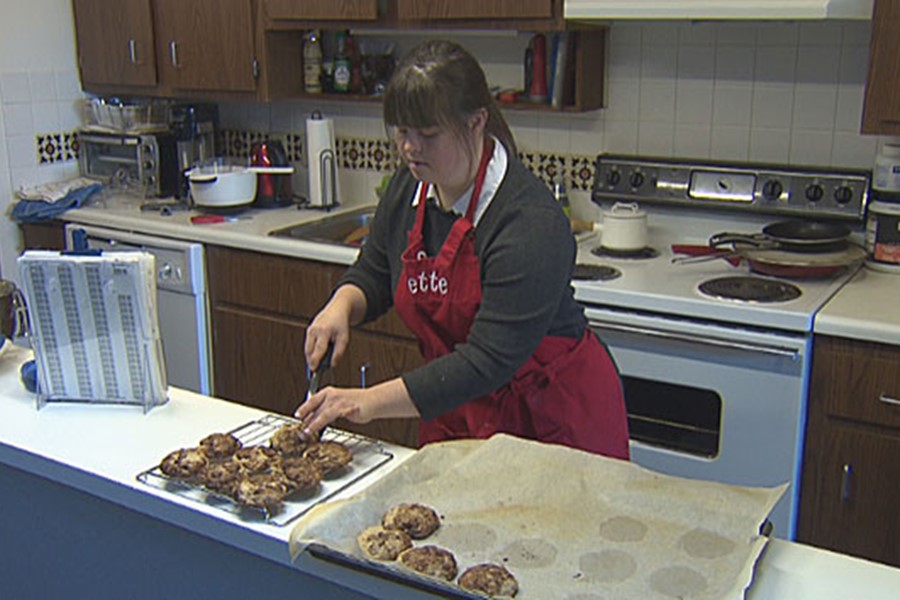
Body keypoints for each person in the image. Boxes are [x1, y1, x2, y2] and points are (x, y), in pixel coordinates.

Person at [295, 39, 629, 459]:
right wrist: (340, 307)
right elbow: (376, 270)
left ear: (476, 122)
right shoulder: (409, 187)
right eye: (402, 132)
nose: (410, 149)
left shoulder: (528, 222)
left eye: (428, 135)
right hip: (457, 405)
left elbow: (488, 360)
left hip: (549, 417)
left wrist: (366, 401)